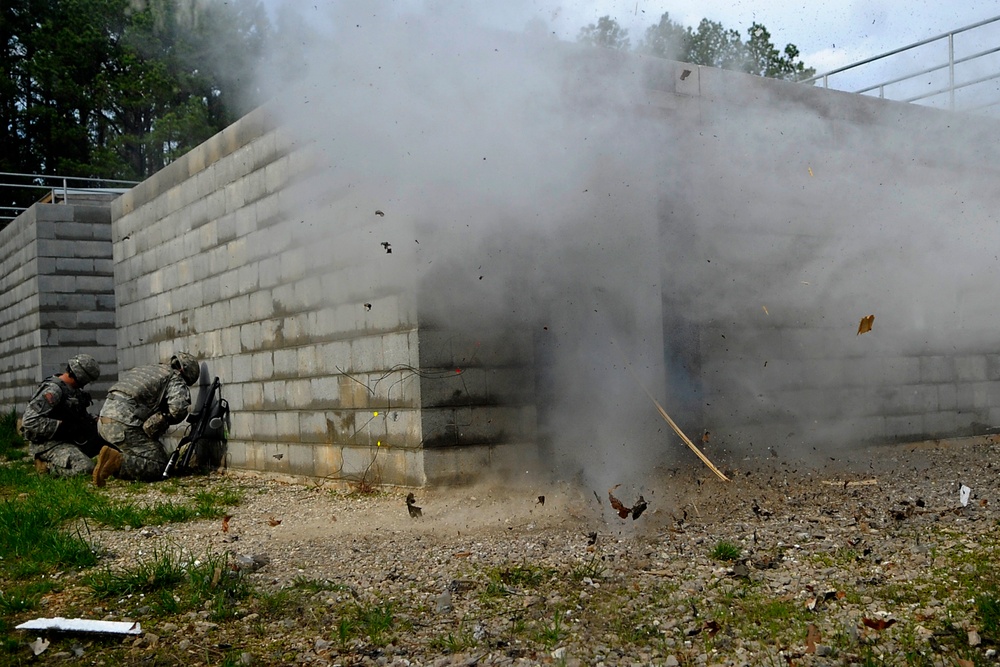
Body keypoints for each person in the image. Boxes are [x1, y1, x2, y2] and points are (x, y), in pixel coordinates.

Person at [93, 352, 200, 486]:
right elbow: (178, 409)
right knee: (159, 463)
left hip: (103, 422)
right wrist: (164, 418)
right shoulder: (175, 377)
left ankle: (110, 457)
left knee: (147, 449)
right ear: (185, 372)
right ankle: (116, 461)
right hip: (122, 425)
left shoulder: (147, 369)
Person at [20, 353, 105, 476]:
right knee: (85, 468)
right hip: (48, 444)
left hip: (70, 438)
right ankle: (46, 467)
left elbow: (79, 416)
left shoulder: (73, 390)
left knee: (108, 437)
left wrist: (96, 421)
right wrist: (63, 426)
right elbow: (29, 422)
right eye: (88, 379)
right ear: (81, 375)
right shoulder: (53, 390)